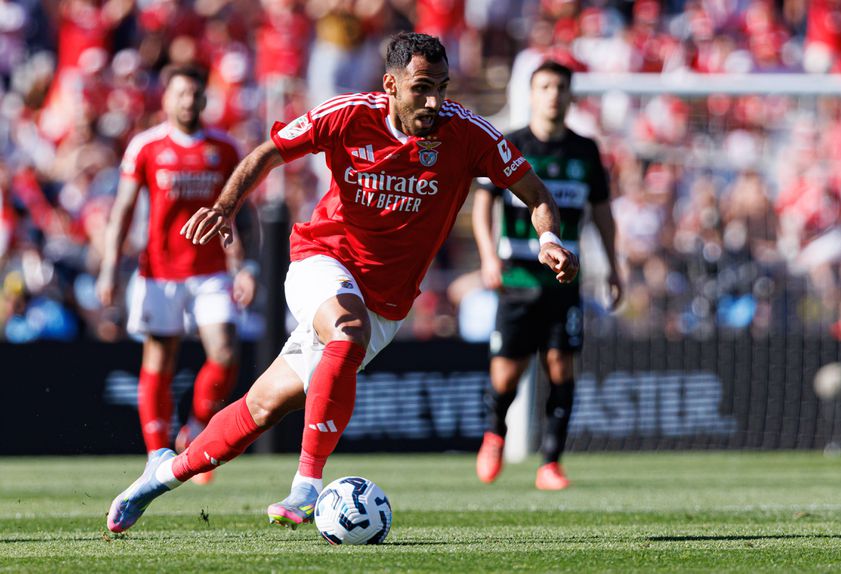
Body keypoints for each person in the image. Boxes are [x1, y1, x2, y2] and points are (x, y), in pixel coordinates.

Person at [106, 32, 577, 534]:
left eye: (442, 86)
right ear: (390, 85)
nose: (435, 101)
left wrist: (548, 237)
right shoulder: (349, 114)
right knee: (346, 330)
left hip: (388, 302)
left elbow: (536, 193)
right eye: (421, 87)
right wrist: (225, 207)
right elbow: (269, 152)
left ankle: (160, 476)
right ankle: (307, 487)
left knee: (263, 406)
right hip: (322, 260)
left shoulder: (468, 134)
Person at [97, 66, 257, 485]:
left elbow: (247, 212)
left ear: (205, 99)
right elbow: (123, 211)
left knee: (225, 353)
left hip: (211, 271)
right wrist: (110, 268)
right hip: (160, 272)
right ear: (166, 99)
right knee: (159, 359)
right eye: (181, 93)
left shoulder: (223, 147)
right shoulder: (146, 147)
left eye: (195, 93)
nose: (188, 101)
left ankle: (195, 429)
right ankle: (156, 454)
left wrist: (248, 266)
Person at [473, 60, 622, 491]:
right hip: (517, 277)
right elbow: (485, 202)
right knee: (506, 374)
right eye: (545, 86)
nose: (553, 94)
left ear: (571, 95)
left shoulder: (585, 151)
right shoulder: (510, 143)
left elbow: (603, 214)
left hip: (564, 279)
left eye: (560, 87)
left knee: (561, 366)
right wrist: (487, 256)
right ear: (532, 93)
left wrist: (614, 266)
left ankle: (551, 463)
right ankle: (495, 433)